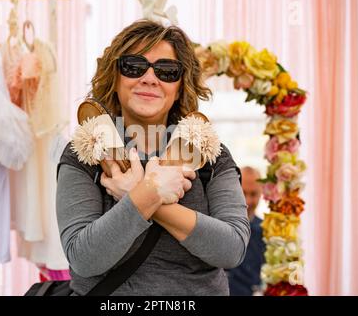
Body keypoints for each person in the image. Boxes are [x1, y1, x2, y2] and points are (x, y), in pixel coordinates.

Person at [56, 20, 250, 296]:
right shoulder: (85, 152)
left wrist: (140, 195)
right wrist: (150, 193)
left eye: (167, 71)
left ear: (181, 85)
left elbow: (231, 249)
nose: (149, 78)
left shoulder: (209, 154)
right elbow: (84, 258)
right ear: (115, 76)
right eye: (134, 66)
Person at [227, 166, 266, 296]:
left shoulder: (267, 231)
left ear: (262, 193)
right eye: (243, 193)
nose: (248, 201)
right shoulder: (218, 224)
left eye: (253, 194)